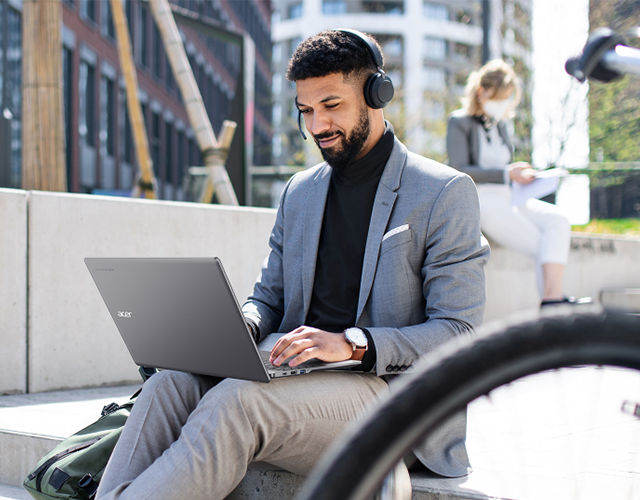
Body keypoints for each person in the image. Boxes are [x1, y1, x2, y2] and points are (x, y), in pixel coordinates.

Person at [95, 29, 489, 500]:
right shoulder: (300, 192)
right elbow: (268, 298)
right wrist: (241, 323)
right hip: (293, 375)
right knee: (169, 385)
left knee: (235, 403)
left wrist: (351, 344)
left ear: (376, 94)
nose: (317, 124)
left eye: (331, 105)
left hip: (384, 392)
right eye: (305, 110)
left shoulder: (444, 192)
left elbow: (458, 331)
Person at [446, 59, 576, 307]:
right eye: (501, 97)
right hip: (482, 200)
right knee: (541, 244)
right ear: (483, 92)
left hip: (511, 195)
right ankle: (552, 302)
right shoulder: (459, 122)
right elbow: (458, 169)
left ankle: (552, 298)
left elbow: (506, 167)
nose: (504, 103)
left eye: (508, 98)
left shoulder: (502, 125)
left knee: (558, 221)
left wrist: (523, 177)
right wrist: (507, 173)